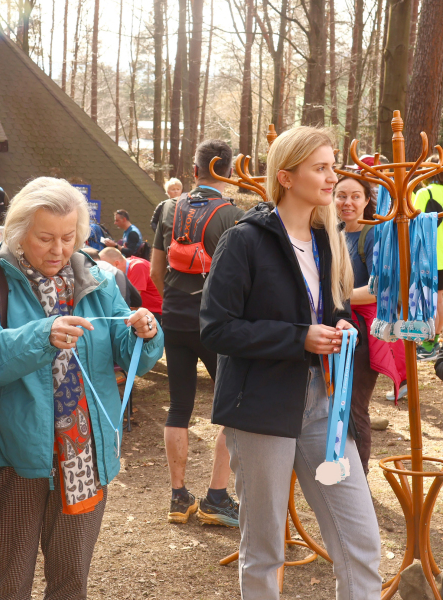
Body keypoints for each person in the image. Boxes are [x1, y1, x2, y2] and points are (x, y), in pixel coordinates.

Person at [0, 177, 163, 600]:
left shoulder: (97, 277)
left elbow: (133, 357)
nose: (59, 250)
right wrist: (43, 335)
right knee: (10, 582)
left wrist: (145, 332)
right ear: (19, 233)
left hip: (84, 454)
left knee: (71, 581)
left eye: (69, 237)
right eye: (45, 238)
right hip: (15, 457)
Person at [200, 127, 382, 600]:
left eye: (332, 166)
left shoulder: (327, 240)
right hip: (260, 410)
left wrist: (342, 327)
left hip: (325, 407)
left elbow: (333, 310)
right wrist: (299, 338)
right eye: (320, 168)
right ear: (286, 176)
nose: (332, 177)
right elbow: (216, 329)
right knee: (264, 551)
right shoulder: (243, 240)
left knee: (361, 543)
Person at [150, 138, 245, 526]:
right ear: (229, 172)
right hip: (216, 324)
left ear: (194, 171)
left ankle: (178, 497)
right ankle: (216, 497)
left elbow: (156, 271)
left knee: (179, 406)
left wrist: (175, 303)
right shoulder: (232, 215)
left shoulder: (168, 208)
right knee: (232, 409)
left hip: (174, 319)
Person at [334, 173, 406, 474]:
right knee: (335, 405)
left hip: (363, 333)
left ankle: (358, 480)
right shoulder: (332, 232)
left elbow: (381, 289)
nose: (347, 202)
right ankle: (340, 473)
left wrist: (335, 297)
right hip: (336, 328)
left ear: (366, 201)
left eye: (355, 196)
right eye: (341, 195)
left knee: (354, 406)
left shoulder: (373, 235)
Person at [413, 154, 443, 361]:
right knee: (440, 300)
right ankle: (435, 342)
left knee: (431, 301)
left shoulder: (425, 193)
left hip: (430, 256)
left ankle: (429, 344)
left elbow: (413, 224)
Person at [99, 246, 162, 323]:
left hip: (154, 313)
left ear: (116, 264)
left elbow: (130, 301)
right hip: (141, 311)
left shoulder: (138, 267)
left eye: (107, 268)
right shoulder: (126, 263)